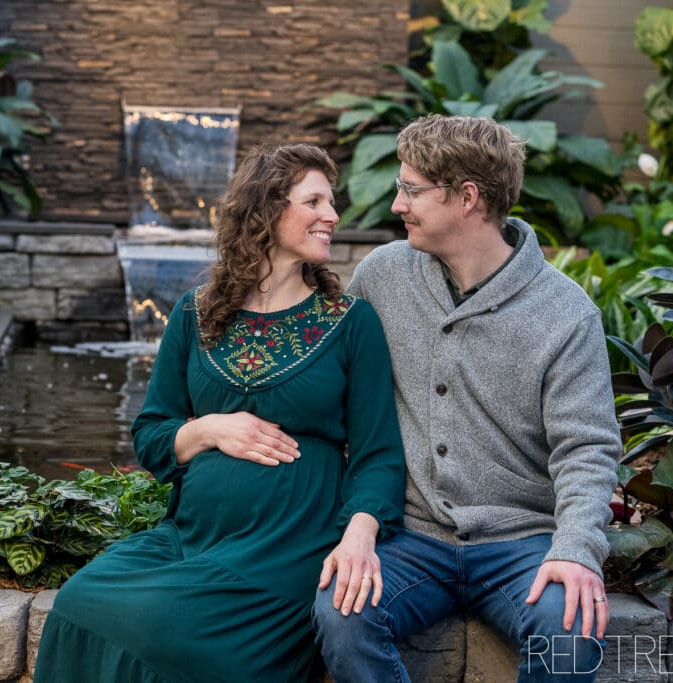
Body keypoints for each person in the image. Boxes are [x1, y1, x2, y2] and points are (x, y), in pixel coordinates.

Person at [33, 143, 406, 682]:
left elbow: (379, 456)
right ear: (266, 209)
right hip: (189, 537)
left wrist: (359, 535)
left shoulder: (351, 322)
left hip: (288, 546)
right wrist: (208, 428)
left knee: (173, 631)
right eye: (314, 202)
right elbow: (152, 435)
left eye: (331, 202)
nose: (332, 216)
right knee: (77, 604)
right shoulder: (196, 313)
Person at [312, 114, 622, 682]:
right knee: (342, 614)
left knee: (571, 632)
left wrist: (576, 548)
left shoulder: (565, 313)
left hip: (522, 541)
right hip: (411, 537)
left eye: (411, 190)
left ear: (467, 197)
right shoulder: (383, 276)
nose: (397, 204)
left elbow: (587, 448)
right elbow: (328, 374)